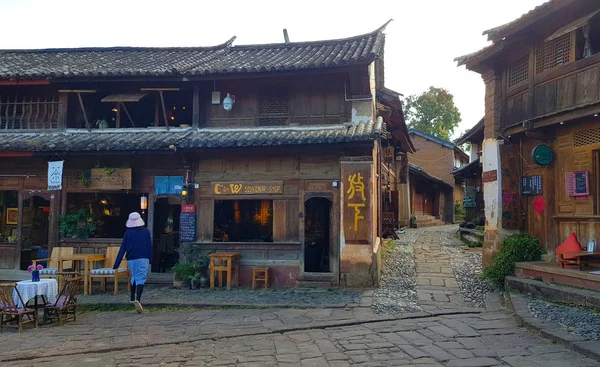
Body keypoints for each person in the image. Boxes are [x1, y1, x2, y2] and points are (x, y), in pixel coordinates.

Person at [113, 212, 152, 313]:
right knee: (141, 278)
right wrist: (151, 259)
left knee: (134, 275)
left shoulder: (128, 233)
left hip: (131, 258)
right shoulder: (146, 232)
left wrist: (116, 264)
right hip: (143, 257)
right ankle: (138, 300)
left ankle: (132, 296)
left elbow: (122, 249)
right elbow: (149, 246)